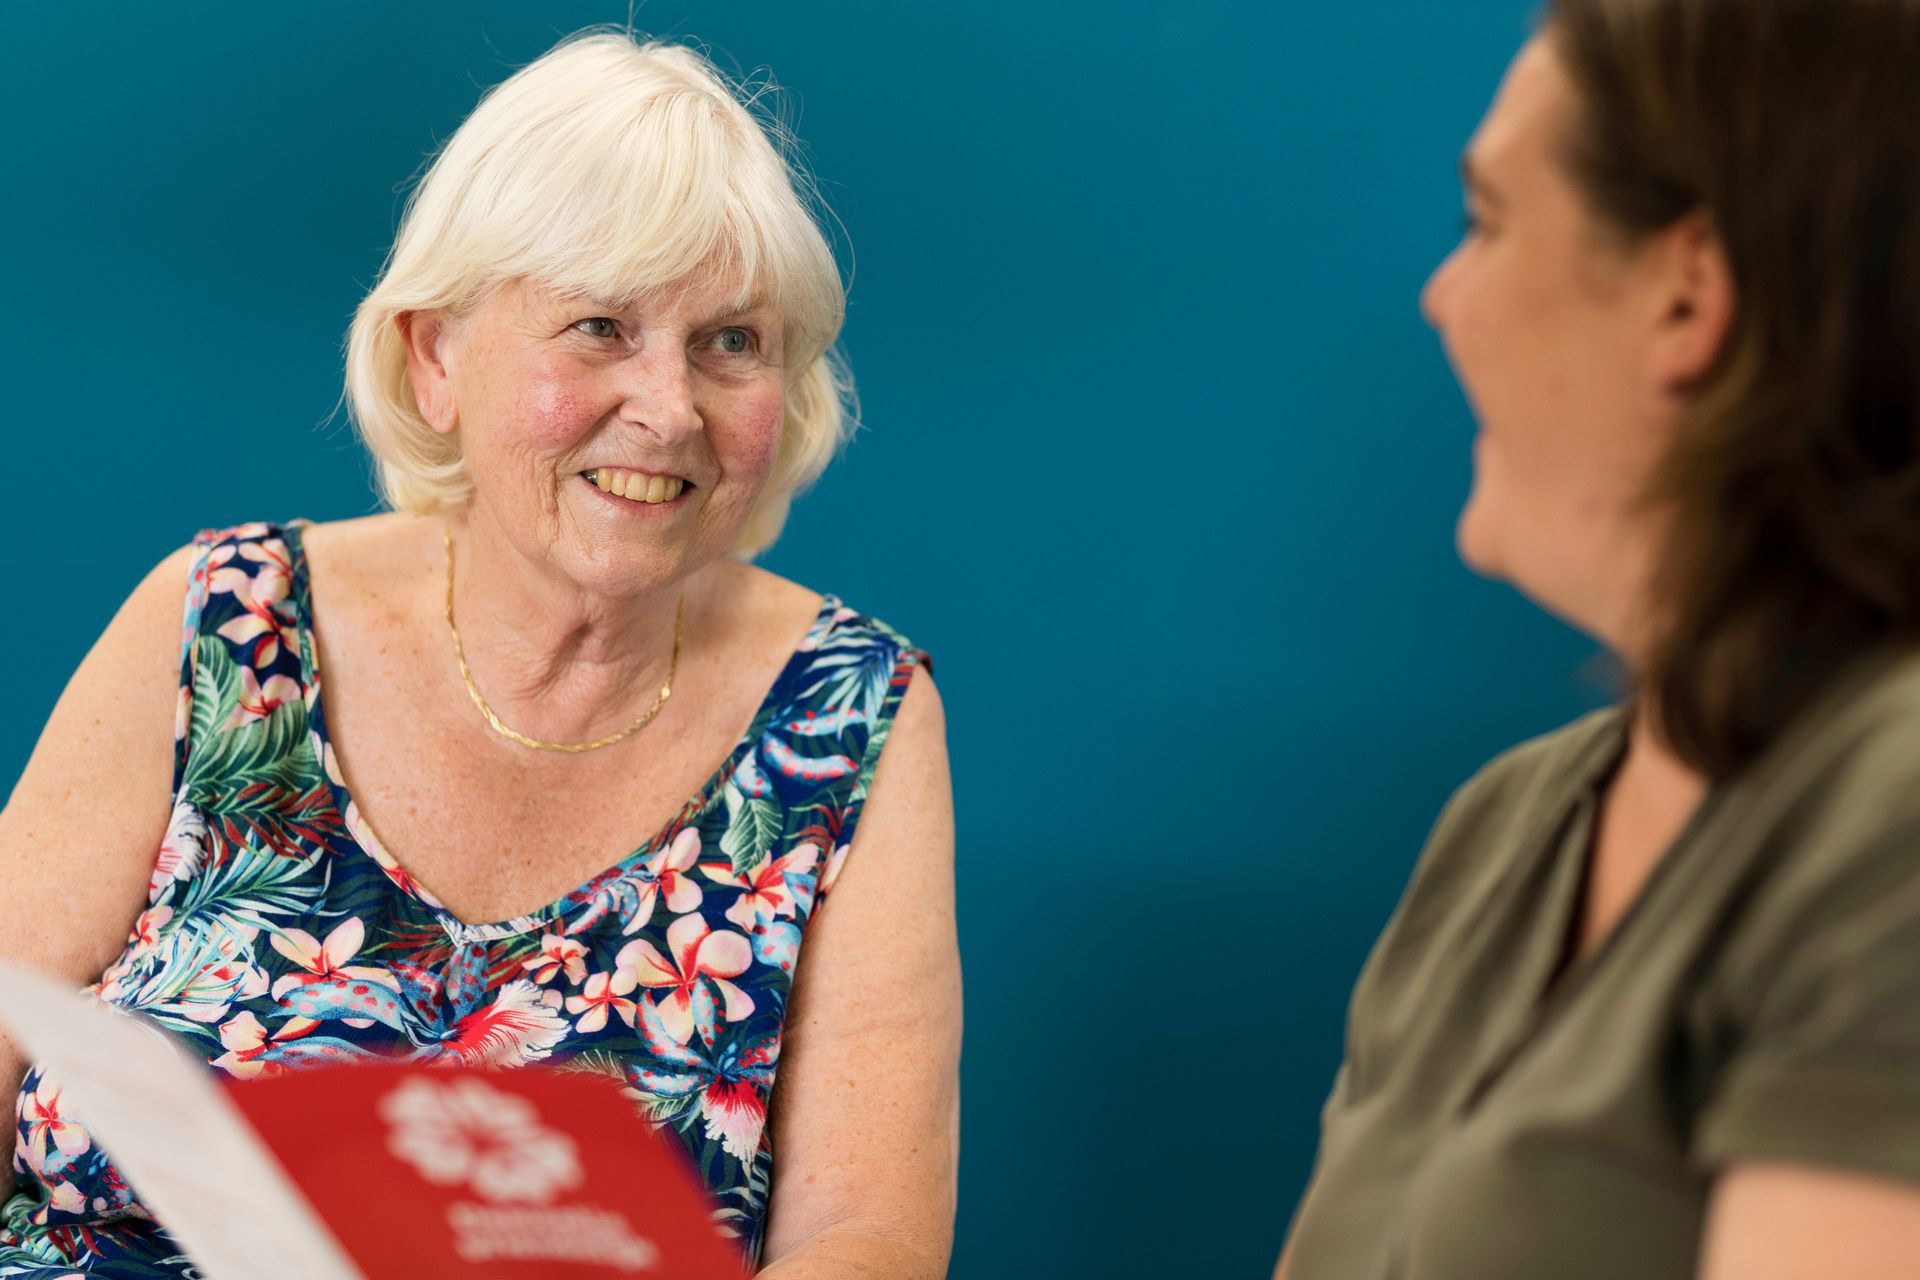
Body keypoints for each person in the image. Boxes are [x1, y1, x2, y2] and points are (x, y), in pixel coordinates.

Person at [0, 31, 960, 1278]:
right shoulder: (222, 618)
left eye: (732, 341)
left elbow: (868, 1233)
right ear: (436, 354)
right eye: (602, 326)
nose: (670, 406)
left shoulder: (848, 715)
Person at [1276, 1, 1920, 1276]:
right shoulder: (1502, 828)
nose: (1441, 296)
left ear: (1690, 293)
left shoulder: (1888, 811)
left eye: (1490, 222)